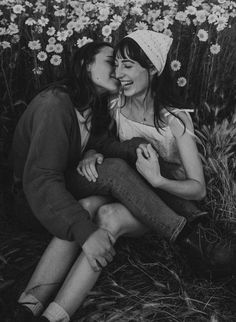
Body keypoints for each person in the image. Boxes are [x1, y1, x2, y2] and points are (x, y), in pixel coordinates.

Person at [10, 38, 234, 322]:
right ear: (84, 64)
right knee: (106, 184)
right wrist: (86, 232)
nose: (117, 72)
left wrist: (123, 150)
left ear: (152, 70)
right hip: (31, 201)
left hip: (86, 190)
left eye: (124, 64)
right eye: (111, 63)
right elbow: (42, 179)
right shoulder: (56, 105)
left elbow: (102, 142)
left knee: (95, 204)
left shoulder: (98, 104)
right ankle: (189, 237)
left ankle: (31, 310)